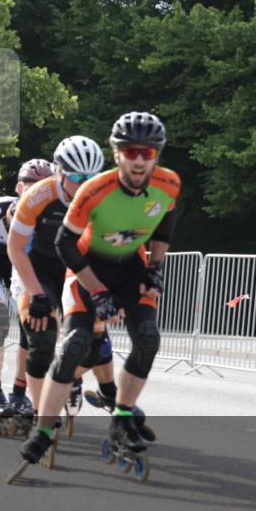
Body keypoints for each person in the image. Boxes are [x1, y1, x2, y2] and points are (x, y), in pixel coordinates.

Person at [19, 111, 179, 469]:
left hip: (131, 267)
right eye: (131, 151)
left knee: (148, 338)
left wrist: (155, 267)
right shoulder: (94, 190)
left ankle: (122, 416)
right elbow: (64, 244)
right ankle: (43, 429)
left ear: (157, 154)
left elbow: (166, 223)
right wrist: (97, 291)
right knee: (75, 344)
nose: (139, 161)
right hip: (87, 269)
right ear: (117, 153)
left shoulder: (169, 183)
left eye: (148, 153)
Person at [6, 136, 104, 455]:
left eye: (90, 177)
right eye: (76, 177)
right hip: (39, 267)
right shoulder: (39, 195)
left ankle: (69, 377)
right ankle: (41, 418)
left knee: (93, 345)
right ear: (60, 172)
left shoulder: (103, 197)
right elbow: (15, 248)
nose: (84, 184)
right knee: (42, 336)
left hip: (78, 268)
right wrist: (36, 294)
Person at [0, 158, 53, 432]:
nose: (34, 190)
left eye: (42, 185)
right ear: (18, 187)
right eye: (29, 184)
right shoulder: (0, 205)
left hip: (19, 265)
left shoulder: (49, 217)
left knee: (30, 325)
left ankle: (18, 392)